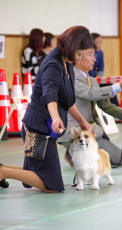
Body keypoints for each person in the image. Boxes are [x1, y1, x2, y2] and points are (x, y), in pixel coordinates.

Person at [0, 26, 96, 193]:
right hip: (37, 131)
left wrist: (82, 122)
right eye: (79, 54)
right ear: (71, 46)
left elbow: (67, 101)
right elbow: (49, 95)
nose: (80, 58)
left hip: (45, 132)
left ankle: (3, 169)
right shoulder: (53, 64)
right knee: (54, 186)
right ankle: (2, 172)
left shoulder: (68, 64)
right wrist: (56, 117)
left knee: (40, 175)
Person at [57, 47, 122, 166]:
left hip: (91, 132)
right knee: (88, 164)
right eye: (90, 55)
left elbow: (105, 105)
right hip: (73, 132)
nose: (94, 59)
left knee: (121, 159)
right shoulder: (70, 78)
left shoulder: (93, 81)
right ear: (78, 58)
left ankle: (84, 152)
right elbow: (90, 93)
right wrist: (118, 86)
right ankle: (71, 151)